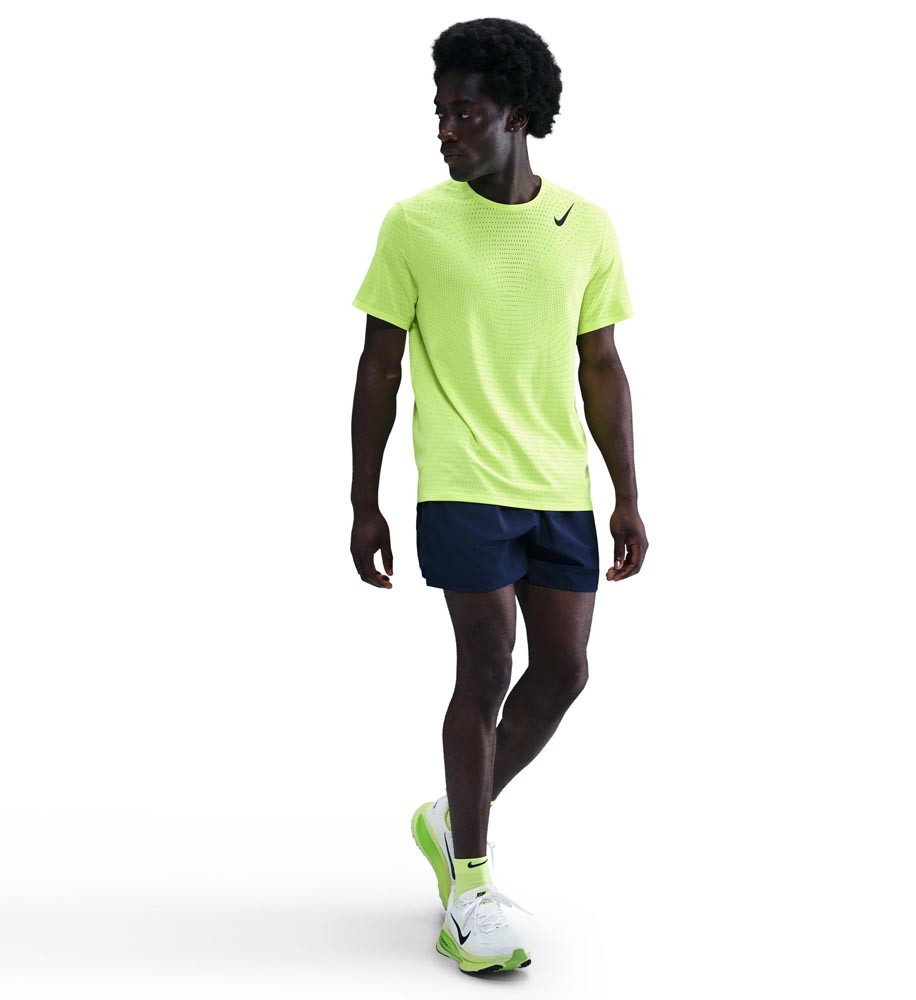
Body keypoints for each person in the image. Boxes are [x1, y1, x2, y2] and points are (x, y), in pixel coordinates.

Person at [349, 17, 648, 975]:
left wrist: (628, 494)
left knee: (564, 671)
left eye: (465, 111)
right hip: (461, 485)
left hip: (558, 485)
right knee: (485, 667)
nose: (445, 129)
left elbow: (602, 365)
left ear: (516, 114)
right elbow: (378, 369)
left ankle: (451, 816)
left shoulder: (586, 226)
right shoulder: (414, 224)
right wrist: (363, 501)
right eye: (439, 110)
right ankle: (469, 891)